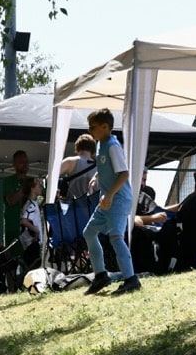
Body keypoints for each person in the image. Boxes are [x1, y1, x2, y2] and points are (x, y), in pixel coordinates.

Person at [82, 108, 139, 295]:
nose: (90, 130)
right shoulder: (100, 144)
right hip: (106, 199)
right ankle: (101, 276)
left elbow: (123, 173)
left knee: (115, 237)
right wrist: (96, 176)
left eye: (93, 127)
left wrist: (110, 195)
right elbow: (107, 166)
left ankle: (131, 279)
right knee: (89, 232)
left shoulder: (113, 145)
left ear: (105, 127)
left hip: (118, 199)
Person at [1, 149, 30, 242]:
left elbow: (46, 195)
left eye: (26, 162)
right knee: (14, 255)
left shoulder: (33, 181)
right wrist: (25, 185)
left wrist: (39, 208)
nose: (25, 164)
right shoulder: (7, 181)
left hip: (29, 228)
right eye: (21, 162)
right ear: (14, 164)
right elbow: (11, 201)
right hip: (13, 228)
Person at [58, 134, 98, 201]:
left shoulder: (70, 161)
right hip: (93, 207)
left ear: (77, 147)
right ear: (93, 149)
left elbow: (50, 177)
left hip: (73, 207)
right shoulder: (100, 167)